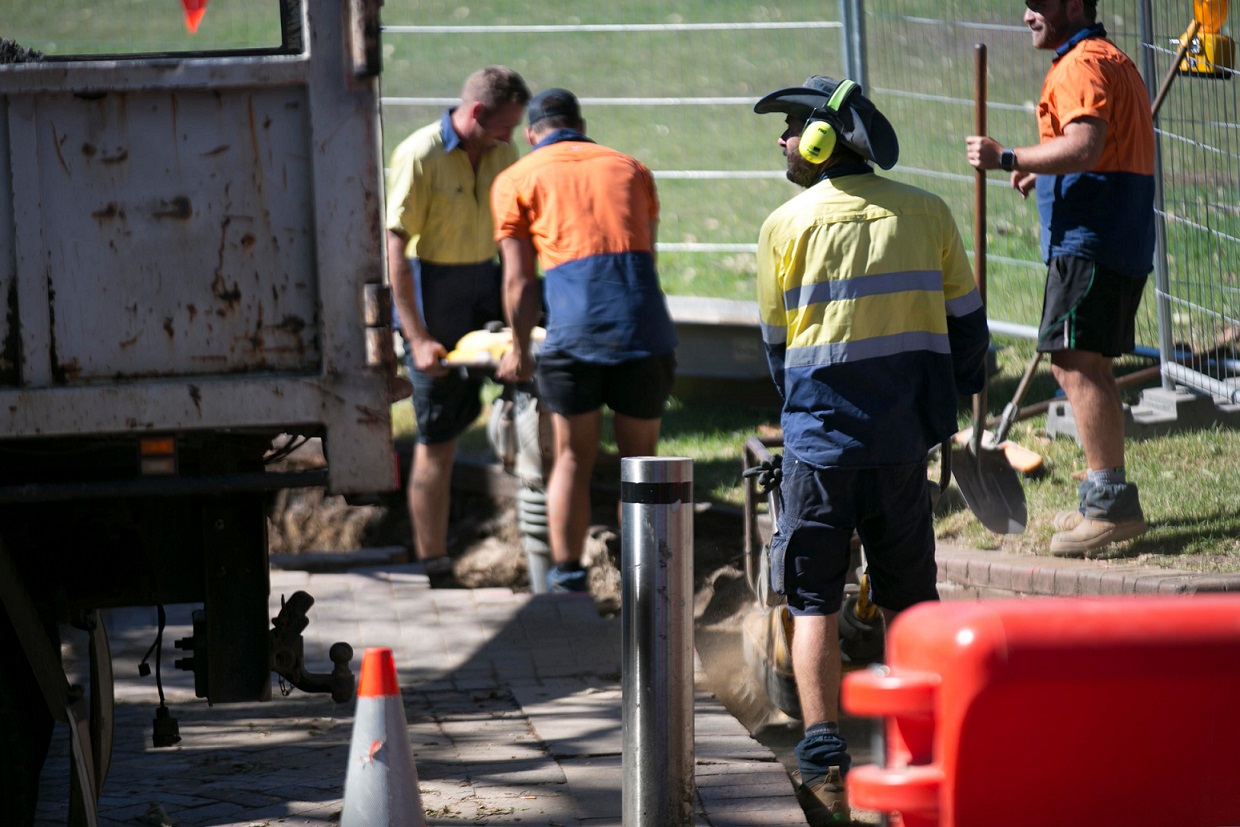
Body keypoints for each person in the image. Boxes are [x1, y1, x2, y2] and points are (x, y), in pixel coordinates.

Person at [754, 75, 990, 821]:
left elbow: (775, 348)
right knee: (909, 598)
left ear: (825, 139)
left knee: (814, 596)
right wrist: (947, 399)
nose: (783, 141)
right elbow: (968, 331)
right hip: (901, 445)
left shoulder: (785, 226)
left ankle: (824, 757)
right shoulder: (930, 212)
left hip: (820, 447)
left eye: (793, 128)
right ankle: (921, 746)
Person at [965, 0, 1154, 556]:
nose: (1027, 15)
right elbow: (1096, 147)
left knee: (1074, 364)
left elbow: (1086, 144)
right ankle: (1104, 497)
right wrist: (1037, 169)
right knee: (1087, 363)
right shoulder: (1112, 58)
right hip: (1117, 238)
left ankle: (1111, 505)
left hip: (1089, 243)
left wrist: (1006, 157)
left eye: (1039, 5)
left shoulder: (1079, 66)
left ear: (1075, 5)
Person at [491, 88, 678, 593]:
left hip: (574, 336)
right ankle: (645, 579)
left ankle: (569, 576)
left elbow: (519, 282)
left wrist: (519, 349)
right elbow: (648, 256)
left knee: (572, 457)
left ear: (532, 134)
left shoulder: (516, 178)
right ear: (580, 123)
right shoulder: (631, 168)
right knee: (641, 460)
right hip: (645, 328)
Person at [385, 66, 531, 587]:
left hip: (483, 292)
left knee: (536, 404)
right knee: (438, 438)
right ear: (475, 113)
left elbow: (515, 242)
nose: (510, 138)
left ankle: (547, 553)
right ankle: (433, 563)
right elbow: (395, 252)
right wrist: (418, 337)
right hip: (433, 301)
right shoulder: (419, 155)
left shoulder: (502, 155)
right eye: (503, 127)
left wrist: (520, 336)